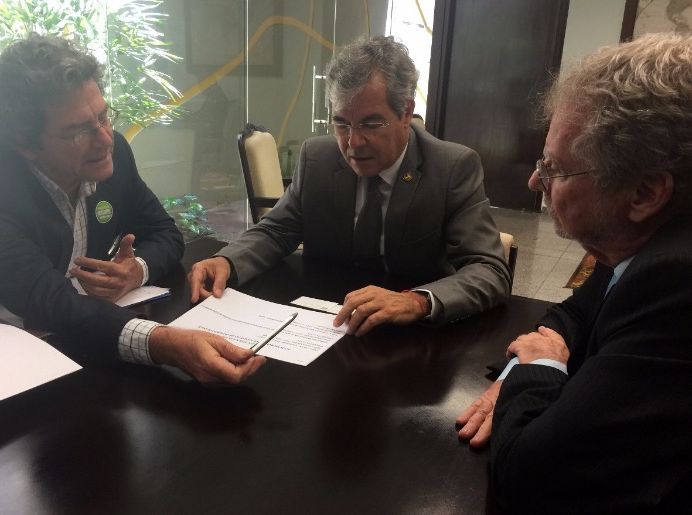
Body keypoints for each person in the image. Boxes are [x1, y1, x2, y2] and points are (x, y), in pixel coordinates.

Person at [0, 34, 264, 385]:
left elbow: (165, 233)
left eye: (104, 116)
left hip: (75, 335)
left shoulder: (112, 154)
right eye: (78, 131)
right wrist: (164, 344)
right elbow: (45, 300)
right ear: (26, 144)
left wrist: (136, 271)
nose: (106, 138)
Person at [456, 33, 692, 513]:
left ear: (645, 193)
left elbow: (528, 476)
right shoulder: (637, 243)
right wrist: (534, 365)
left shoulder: (675, 283)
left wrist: (537, 369)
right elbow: (575, 313)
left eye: (555, 168)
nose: (534, 181)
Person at [189, 35, 511, 336]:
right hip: (326, 324)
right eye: (342, 124)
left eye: (371, 124)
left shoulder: (451, 168)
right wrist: (227, 261)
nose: (353, 142)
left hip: (413, 337)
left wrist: (416, 301)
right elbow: (275, 231)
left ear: (406, 112)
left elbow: (490, 271)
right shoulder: (318, 158)